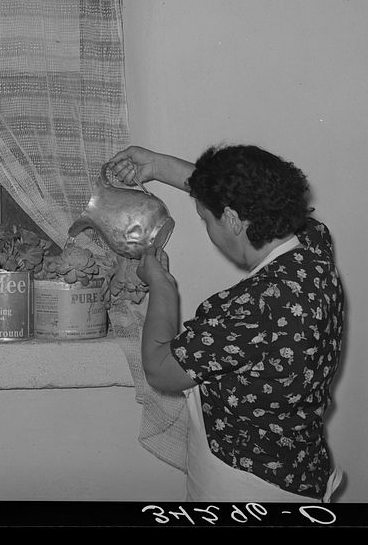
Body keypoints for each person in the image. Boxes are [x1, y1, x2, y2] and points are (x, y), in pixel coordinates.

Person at [107, 144, 344, 503]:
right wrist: (158, 166)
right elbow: (250, 192)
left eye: (207, 219)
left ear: (233, 219)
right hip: (301, 467)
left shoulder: (254, 305)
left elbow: (160, 369)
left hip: (247, 485)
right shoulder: (312, 247)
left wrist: (161, 286)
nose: (209, 229)